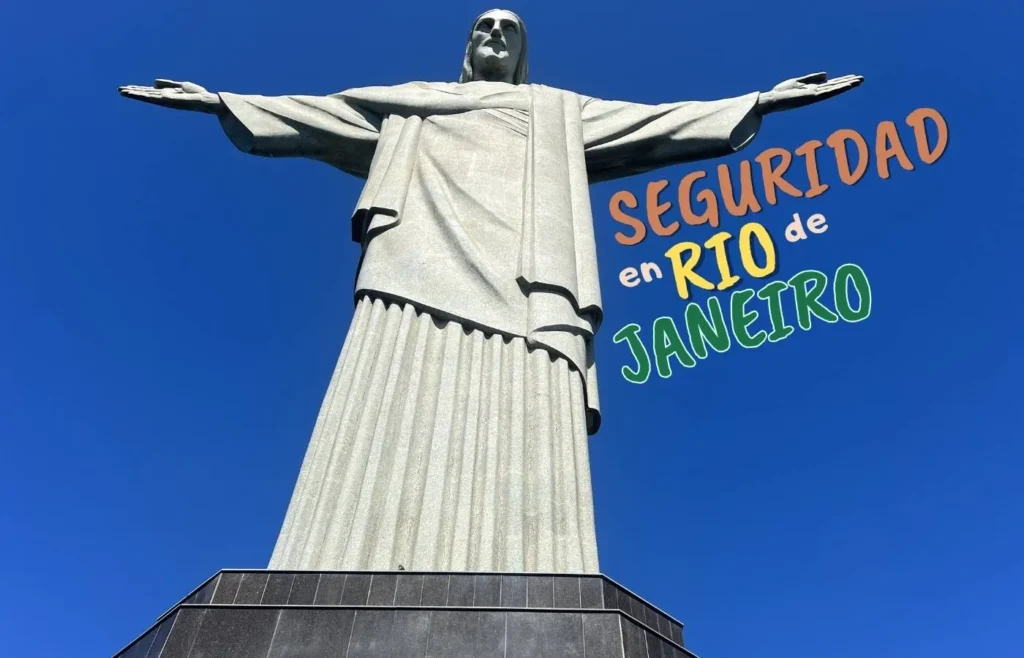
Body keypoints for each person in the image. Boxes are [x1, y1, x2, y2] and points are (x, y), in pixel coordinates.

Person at [119, 9, 862, 573]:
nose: (498, 34)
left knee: (526, 408)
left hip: (530, 280)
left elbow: (655, 125)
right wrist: (220, 101)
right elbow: (318, 114)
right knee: (392, 389)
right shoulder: (412, 101)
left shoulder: (557, 111)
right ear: (469, 45)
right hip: (412, 264)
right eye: (485, 25)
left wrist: (760, 101)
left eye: (511, 28)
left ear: (523, 51)